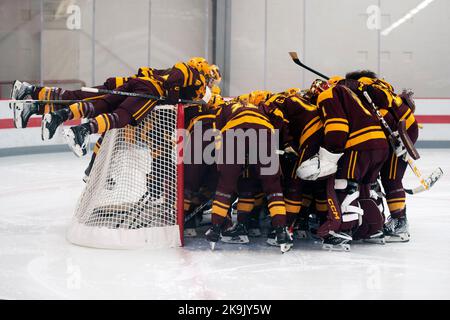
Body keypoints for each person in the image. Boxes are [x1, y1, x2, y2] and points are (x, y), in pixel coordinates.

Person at [41, 60, 209, 157]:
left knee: (104, 104)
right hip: (150, 90)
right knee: (122, 117)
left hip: (138, 84)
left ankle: (58, 116)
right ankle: (82, 131)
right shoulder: (195, 77)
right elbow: (177, 77)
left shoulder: (177, 73)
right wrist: (173, 96)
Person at [297, 78, 389, 250]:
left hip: (359, 145)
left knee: (343, 185)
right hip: (380, 145)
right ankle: (371, 229)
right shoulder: (354, 96)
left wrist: (329, 155)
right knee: (365, 187)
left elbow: (337, 126)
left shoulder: (328, 94)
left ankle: (342, 233)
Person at [205, 100, 292, 252]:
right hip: (264, 131)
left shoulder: (226, 107)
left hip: (234, 130)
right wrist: (284, 143)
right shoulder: (261, 108)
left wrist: (221, 157)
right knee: (273, 187)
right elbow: (279, 119)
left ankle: (215, 230)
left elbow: (216, 129)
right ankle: (281, 231)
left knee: (225, 185)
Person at [345, 71, 419, 242]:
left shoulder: (366, 85)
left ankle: (400, 224)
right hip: (402, 129)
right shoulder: (377, 85)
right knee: (388, 175)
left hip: (402, 131)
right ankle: (396, 219)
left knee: (391, 178)